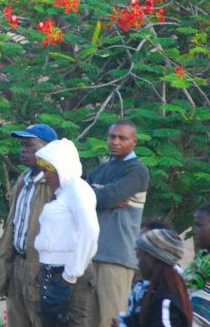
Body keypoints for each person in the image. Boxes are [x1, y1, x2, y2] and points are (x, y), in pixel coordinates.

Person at [84, 120, 150, 327]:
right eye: (112, 136)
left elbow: (108, 197)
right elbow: (77, 198)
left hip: (117, 257)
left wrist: (96, 193)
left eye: (122, 138)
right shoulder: (102, 169)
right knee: (87, 321)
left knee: (112, 321)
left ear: (134, 142)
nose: (115, 141)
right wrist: (99, 194)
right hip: (91, 255)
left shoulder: (137, 170)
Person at [0, 124, 60, 327]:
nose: (23, 149)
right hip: (17, 265)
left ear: (48, 149)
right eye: (22, 145)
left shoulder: (56, 185)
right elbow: (12, 226)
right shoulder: (23, 180)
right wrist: (5, 268)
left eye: (29, 145)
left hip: (40, 268)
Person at [33, 138, 99, 327]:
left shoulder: (78, 190)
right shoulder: (63, 192)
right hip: (51, 272)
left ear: (61, 168)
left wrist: (70, 275)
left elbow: (91, 232)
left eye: (47, 171)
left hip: (69, 274)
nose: (44, 176)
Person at [114, 229, 192, 327]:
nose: (138, 264)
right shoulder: (153, 292)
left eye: (139, 257)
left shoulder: (164, 301)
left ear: (151, 258)